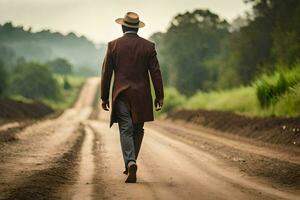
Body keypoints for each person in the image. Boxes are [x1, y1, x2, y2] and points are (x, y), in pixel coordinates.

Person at [100, 12, 164, 183]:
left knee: (125, 129)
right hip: (141, 96)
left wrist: (104, 96)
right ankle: (131, 161)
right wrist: (159, 96)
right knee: (137, 130)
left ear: (122, 27)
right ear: (137, 28)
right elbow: (156, 73)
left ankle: (130, 161)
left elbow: (106, 73)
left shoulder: (113, 45)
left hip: (121, 95)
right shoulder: (148, 47)